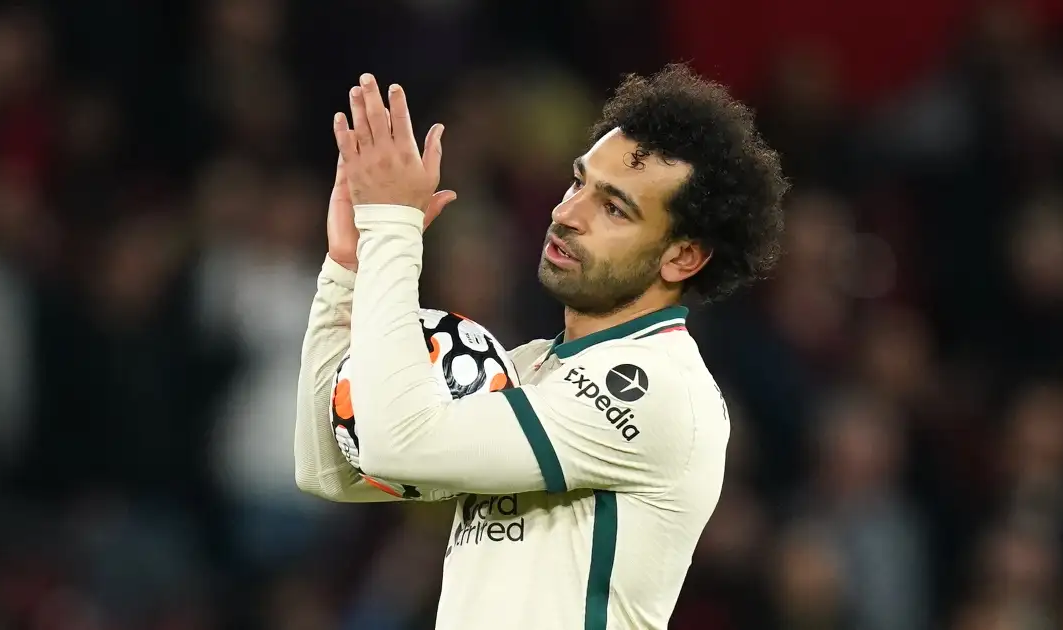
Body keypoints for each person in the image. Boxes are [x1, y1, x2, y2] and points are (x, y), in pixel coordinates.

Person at [294, 64, 787, 629]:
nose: (567, 213)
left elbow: (397, 444)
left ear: (682, 257)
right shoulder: (529, 366)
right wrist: (348, 271)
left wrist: (394, 227)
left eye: (614, 208)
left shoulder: (658, 388)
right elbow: (331, 470)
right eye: (579, 182)